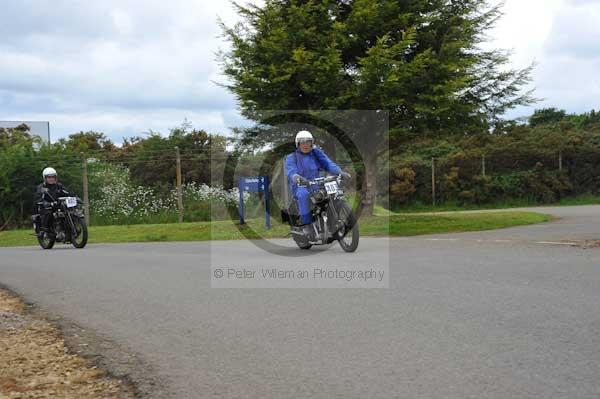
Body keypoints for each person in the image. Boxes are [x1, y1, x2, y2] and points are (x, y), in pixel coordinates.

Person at [285, 130, 350, 239]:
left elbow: (328, 164)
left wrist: (340, 172)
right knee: (303, 195)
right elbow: (291, 170)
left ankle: (333, 220)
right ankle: (307, 226)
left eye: (308, 142)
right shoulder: (292, 157)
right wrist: (295, 177)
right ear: (298, 144)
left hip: (318, 182)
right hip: (301, 185)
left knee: (334, 193)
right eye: (302, 142)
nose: (305, 145)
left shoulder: (317, 153)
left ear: (312, 143)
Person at [32, 167, 71, 237]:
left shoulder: (59, 185)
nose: (51, 179)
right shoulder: (41, 187)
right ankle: (44, 230)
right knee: (48, 212)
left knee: (68, 211)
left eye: (53, 177)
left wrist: (75, 197)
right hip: (46, 207)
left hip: (57, 205)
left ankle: (67, 229)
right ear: (45, 178)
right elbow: (38, 197)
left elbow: (67, 192)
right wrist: (45, 202)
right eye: (49, 177)